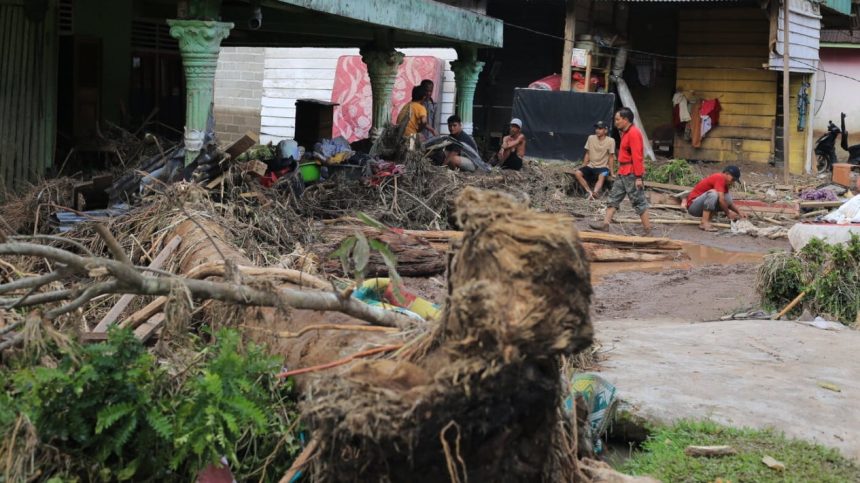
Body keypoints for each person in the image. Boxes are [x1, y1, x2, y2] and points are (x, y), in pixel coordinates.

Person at [589, 108, 652, 235]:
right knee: (613, 197)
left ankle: (647, 229)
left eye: (618, 119)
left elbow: (637, 156)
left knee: (638, 200)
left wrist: (638, 177)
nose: (616, 122)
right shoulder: (626, 132)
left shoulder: (634, 133)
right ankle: (605, 224)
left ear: (625, 119)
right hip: (623, 171)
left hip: (632, 173)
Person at [684, 165, 746, 231]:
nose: (733, 182)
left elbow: (728, 202)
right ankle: (704, 222)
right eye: (733, 179)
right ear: (727, 174)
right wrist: (728, 213)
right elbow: (721, 200)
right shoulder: (719, 177)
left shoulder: (724, 184)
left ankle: (707, 221)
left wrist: (739, 212)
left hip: (700, 207)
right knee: (713, 193)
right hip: (693, 206)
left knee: (727, 197)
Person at [574, 121, 616, 199]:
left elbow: (611, 157)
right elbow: (587, 153)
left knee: (602, 176)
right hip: (591, 165)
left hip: (603, 166)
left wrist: (612, 172)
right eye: (596, 128)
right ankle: (589, 192)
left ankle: (595, 192)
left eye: (600, 128)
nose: (597, 130)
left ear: (605, 130)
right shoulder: (591, 138)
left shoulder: (611, 141)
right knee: (577, 173)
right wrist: (583, 165)